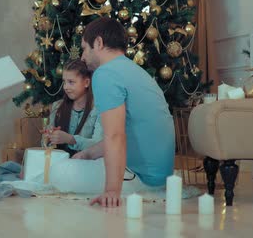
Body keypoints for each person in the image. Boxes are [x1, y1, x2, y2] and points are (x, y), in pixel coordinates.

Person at [53, 17, 175, 207]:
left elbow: (115, 135)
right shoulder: (133, 70)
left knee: (57, 172)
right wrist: (88, 154)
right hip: (161, 175)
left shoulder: (105, 73)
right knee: (78, 162)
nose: (83, 57)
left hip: (142, 178)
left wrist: (111, 191)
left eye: (85, 48)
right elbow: (127, 132)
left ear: (99, 43)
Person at [42, 59, 103, 156]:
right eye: (64, 82)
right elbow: (45, 144)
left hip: (87, 165)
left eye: (71, 82)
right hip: (60, 164)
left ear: (86, 82)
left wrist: (71, 139)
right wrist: (48, 138)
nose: (65, 87)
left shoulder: (99, 108)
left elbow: (100, 145)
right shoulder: (57, 106)